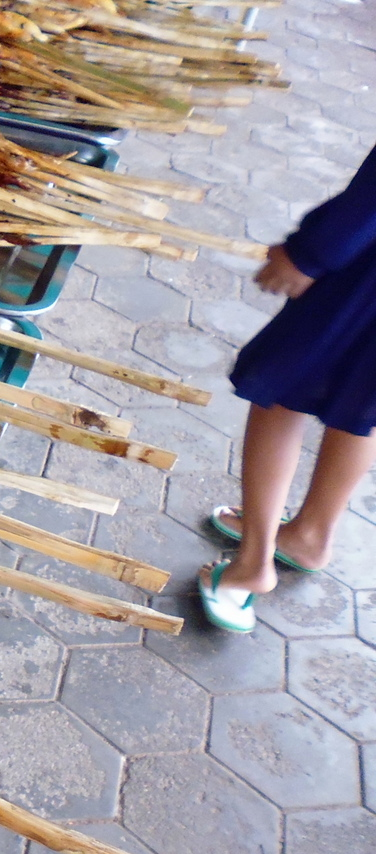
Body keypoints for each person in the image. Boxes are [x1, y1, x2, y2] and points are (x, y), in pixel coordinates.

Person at [198, 143, 376, 633]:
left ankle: (253, 563)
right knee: (363, 407)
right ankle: (309, 535)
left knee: (282, 392)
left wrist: (310, 254)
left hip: (365, 275)